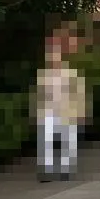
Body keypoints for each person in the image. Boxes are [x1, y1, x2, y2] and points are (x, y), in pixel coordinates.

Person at [33, 25, 88, 183]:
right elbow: (41, 95)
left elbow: (78, 94)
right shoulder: (44, 74)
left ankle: (66, 169)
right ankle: (46, 170)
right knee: (45, 141)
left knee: (69, 141)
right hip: (49, 112)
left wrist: (80, 111)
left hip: (67, 112)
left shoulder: (71, 74)